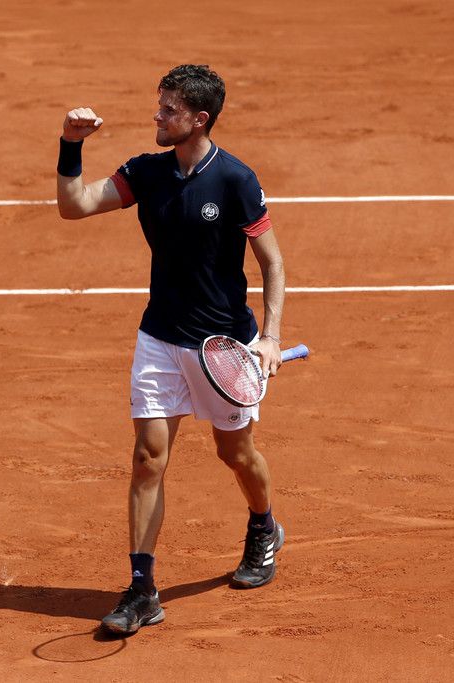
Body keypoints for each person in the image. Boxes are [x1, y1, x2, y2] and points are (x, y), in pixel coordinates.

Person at [55, 64, 287, 636]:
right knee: (147, 459)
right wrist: (70, 145)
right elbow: (74, 205)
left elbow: (273, 263)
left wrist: (270, 337)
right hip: (160, 337)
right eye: (159, 106)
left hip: (222, 345)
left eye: (168, 110)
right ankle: (142, 590)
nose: (156, 116)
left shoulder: (234, 179)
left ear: (198, 119)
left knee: (235, 454)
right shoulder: (146, 172)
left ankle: (263, 524)